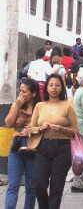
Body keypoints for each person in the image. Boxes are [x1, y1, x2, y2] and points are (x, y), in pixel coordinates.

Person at [30, 74, 78, 209]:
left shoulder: (68, 105)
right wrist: (40, 128)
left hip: (62, 148)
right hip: (43, 146)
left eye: (57, 85)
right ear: (46, 88)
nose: (54, 88)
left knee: (56, 187)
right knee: (39, 184)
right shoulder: (39, 106)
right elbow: (31, 129)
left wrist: (61, 129)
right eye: (51, 85)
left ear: (62, 88)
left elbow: (75, 131)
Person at [5, 78, 40, 209]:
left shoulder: (40, 107)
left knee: (31, 186)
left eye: (24, 92)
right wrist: (16, 105)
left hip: (33, 146)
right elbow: (8, 123)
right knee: (13, 185)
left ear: (33, 93)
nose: (21, 94)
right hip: (17, 145)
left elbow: (44, 126)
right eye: (20, 91)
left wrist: (31, 130)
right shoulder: (18, 104)